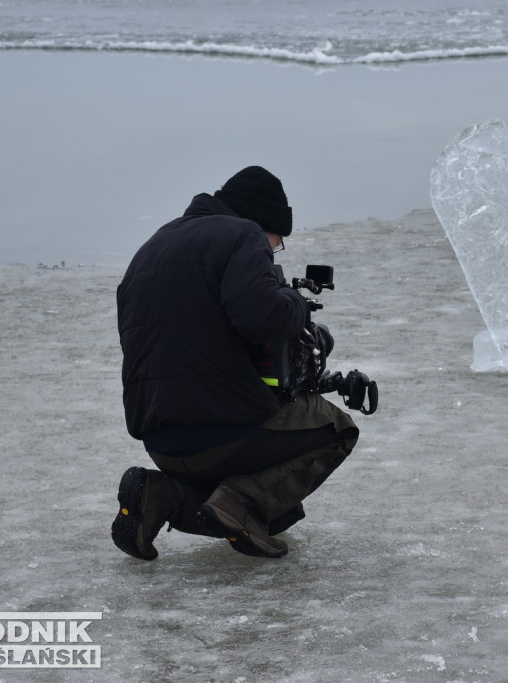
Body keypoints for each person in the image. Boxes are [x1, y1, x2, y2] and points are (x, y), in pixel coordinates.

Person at [111, 166, 359, 560]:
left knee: (279, 515)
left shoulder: (154, 245)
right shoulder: (242, 234)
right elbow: (263, 317)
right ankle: (239, 500)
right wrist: (295, 302)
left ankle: (162, 494)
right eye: (277, 243)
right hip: (224, 433)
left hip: (160, 440)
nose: (273, 251)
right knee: (337, 427)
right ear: (265, 224)